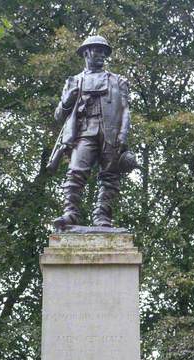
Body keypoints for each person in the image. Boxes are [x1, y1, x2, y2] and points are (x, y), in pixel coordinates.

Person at [48, 35, 132, 229]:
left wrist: (123, 135)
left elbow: (126, 110)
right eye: (97, 50)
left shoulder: (118, 81)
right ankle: (70, 214)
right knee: (75, 172)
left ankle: (103, 218)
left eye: (104, 51)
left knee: (110, 176)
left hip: (110, 133)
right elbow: (59, 116)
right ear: (86, 53)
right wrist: (68, 99)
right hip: (84, 131)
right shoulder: (74, 81)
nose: (101, 54)